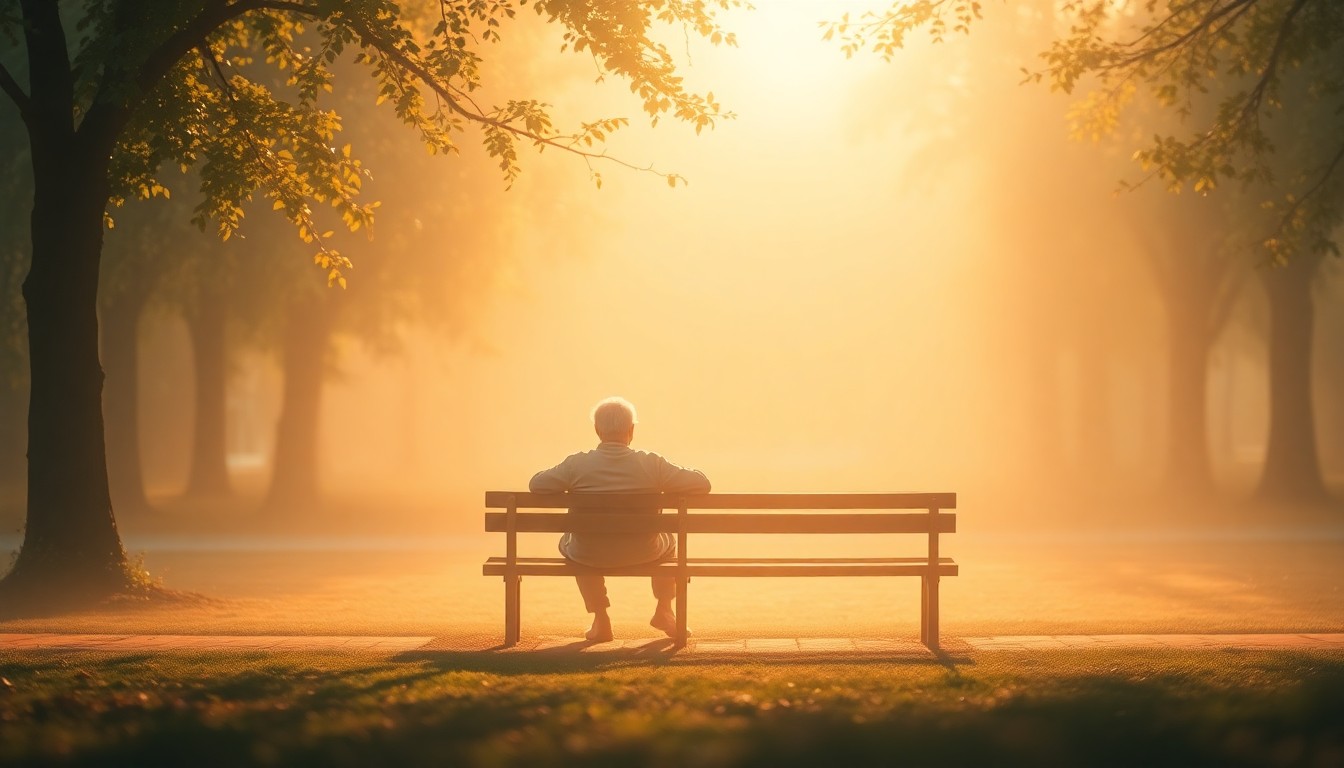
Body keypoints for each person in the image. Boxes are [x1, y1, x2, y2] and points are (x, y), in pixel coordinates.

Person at [529, 396, 710, 642]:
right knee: (670, 541)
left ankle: (600, 619)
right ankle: (664, 608)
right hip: (645, 552)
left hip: (589, 554)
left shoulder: (577, 464)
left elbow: (536, 484)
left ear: (597, 430)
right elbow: (702, 484)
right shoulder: (651, 463)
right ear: (631, 430)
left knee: (575, 544)